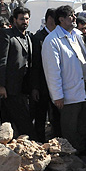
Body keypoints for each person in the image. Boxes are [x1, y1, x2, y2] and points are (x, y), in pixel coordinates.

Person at [41, 5, 86, 152]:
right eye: (70, 16)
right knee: (70, 125)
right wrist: (57, 95)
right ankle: (72, 155)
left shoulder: (76, 34)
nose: (74, 18)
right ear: (61, 20)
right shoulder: (52, 41)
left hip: (84, 86)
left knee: (84, 120)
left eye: (74, 15)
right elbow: (52, 71)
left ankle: (82, 150)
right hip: (69, 92)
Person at [0, 7, 36, 139]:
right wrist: (0, 85)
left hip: (24, 88)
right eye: (22, 19)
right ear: (14, 20)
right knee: (24, 124)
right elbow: (1, 61)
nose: (25, 21)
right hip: (10, 88)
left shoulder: (28, 37)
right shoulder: (6, 34)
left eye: (27, 19)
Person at [30, 8, 61, 142]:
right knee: (41, 115)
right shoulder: (38, 38)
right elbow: (35, 65)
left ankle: (58, 140)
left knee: (57, 114)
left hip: (55, 83)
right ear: (49, 19)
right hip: (42, 85)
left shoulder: (58, 37)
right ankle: (40, 141)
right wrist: (35, 87)